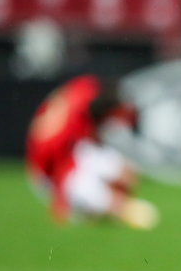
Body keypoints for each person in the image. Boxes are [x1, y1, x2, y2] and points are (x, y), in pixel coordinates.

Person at [25, 73, 156, 230]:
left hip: (72, 154)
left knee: (126, 173)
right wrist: (61, 204)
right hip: (48, 174)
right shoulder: (73, 126)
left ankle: (103, 208)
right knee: (101, 196)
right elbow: (55, 166)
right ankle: (99, 209)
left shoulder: (85, 92)